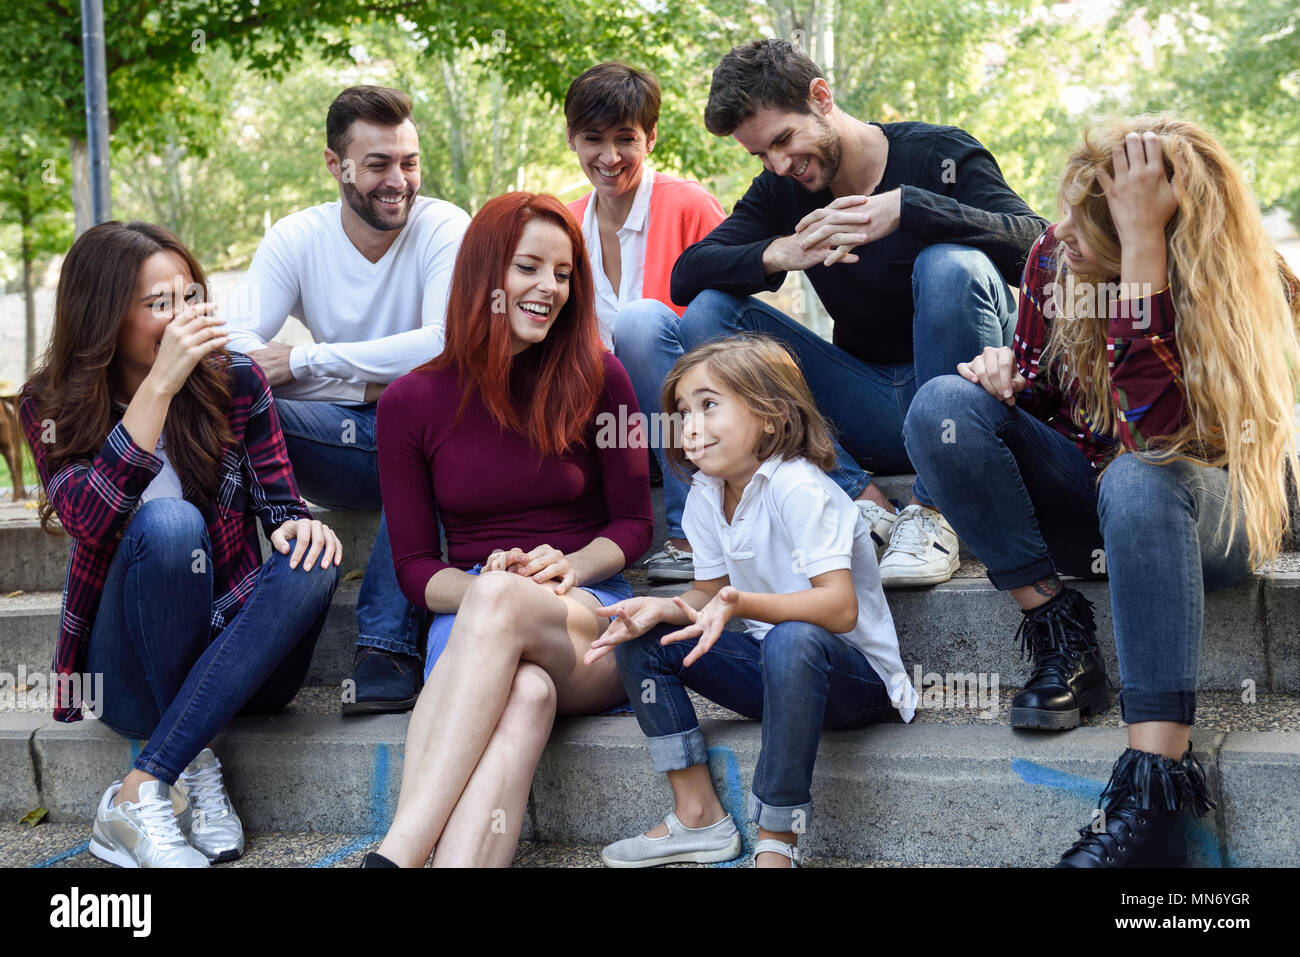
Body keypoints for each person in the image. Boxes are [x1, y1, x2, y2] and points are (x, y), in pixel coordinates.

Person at [902, 116, 1300, 866]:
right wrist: (1008, 383)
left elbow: (1162, 440)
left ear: (1156, 226)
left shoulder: (1246, 280)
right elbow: (1052, 399)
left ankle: (1154, 799)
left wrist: (1142, 262)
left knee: (1140, 474)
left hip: (1208, 514)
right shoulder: (1056, 259)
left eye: (1096, 224)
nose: (1062, 239)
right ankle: (1063, 637)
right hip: (1096, 499)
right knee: (941, 408)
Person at [644, 38, 1047, 588]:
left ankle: (935, 514)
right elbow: (687, 275)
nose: (780, 164)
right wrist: (777, 252)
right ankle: (860, 498)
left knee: (950, 264)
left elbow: (1042, 251)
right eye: (762, 154)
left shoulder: (940, 156)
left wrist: (909, 207)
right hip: (869, 406)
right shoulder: (783, 191)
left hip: (970, 400)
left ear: (820, 96)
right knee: (710, 313)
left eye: (784, 139)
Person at [20, 222, 342, 868]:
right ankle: (188, 763)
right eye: (158, 303)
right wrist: (158, 387)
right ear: (104, 315)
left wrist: (295, 525)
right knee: (169, 526)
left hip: (237, 662)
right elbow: (88, 518)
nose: (183, 315)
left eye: (189, 296)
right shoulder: (49, 402)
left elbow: (280, 505)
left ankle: (144, 785)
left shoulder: (238, 381)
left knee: (316, 554)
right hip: (126, 671)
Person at [362, 192, 653, 867]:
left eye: (563, 273)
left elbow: (635, 524)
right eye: (528, 267)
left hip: (585, 617)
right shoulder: (410, 402)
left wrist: (571, 566)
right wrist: (489, 588)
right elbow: (412, 569)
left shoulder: (603, 378)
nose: (549, 289)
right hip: (469, 620)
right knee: (524, 691)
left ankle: (397, 852)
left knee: (504, 606)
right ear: (485, 275)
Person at [587, 334, 918, 868]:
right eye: (681, 412)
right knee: (643, 633)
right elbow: (708, 592)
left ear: (770, 415)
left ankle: (776, 842)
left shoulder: (798, 488)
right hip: (776, 673)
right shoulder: (704, 493)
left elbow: (838, 609)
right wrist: (665, 608)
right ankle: (698, 817)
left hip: (855, 680)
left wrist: (742, 605)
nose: (689, 425)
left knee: (792, 640)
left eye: (708, 405)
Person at [224, 85, 471, 715]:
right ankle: (233, 611)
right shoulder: (295, 237)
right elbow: (239, 355)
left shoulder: (445, 226)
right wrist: (371, 382)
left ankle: (385, 651)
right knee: (229, 394)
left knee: (437, 411)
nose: (399, 181)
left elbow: (444, 350)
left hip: (424, 439)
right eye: (378, 164)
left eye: (409, 162)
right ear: (336, 165)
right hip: (336, 439)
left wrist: (305, 360)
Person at [563, 62, 726, 581]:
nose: (609, 158)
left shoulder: (689, 206)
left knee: (637, 323)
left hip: (695, 429)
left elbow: (726, 328)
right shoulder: (563, 224)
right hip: (608, 434)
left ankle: (688, 537)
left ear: (650, 138)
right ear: (572, 140)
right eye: (593, 139)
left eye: (625, 139)